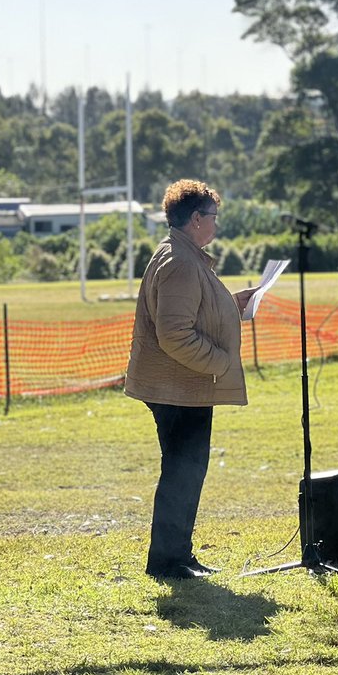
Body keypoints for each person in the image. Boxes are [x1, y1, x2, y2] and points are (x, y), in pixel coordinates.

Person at [125, 179, 257, 578]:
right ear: (196, 218)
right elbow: (175, 333)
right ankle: (168, 561)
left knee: (186, 470)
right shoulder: (181, 262)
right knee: (182, 471)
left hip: (184, 385)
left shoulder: (184, 255)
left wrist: (232, 306)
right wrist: (221, 362)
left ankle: (177, 555)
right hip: (178, 388)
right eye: (213, 217)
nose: (216, 224)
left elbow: (193, 313)